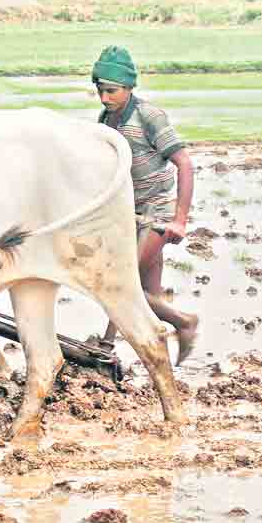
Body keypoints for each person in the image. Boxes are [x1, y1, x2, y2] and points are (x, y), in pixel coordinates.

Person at [91, 45, 199, 365]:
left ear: (129, 87)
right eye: (100, 90)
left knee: (121, 284)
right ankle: (159, 348)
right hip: (131, 213)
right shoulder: (106, 119)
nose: (104, 98)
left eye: (111, 91)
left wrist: (180, 220)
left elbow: (184, 163)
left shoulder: (149, 116)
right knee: (145, 295)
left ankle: (182, 324)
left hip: (158, 212)